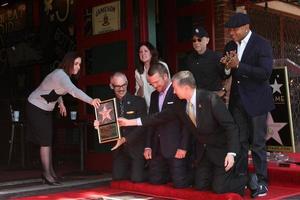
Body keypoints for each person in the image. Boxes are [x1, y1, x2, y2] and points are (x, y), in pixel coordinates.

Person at [118, 71, 248, 196]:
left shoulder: (210, 99)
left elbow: (231, 127)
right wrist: (130, 122)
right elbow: (158, 117)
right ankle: (218, 177)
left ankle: (247, 180)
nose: (173, 91)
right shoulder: (180, 104)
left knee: (219, 188)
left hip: (222, 150)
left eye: (175, 88)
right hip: (204, 152)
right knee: (200, 185)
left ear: (185, 88)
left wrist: (231, 153)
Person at [220, 13, 275, 198]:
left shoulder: (262, 44)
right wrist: (227, 67)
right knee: (240, 143)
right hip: (237, 102)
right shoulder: (229, 46)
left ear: (246, 27)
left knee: (258, 144)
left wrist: (239, 65)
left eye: (234, 29)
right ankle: (241, 179)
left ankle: (261, 182)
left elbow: (265, 73)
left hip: (257, 102)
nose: (231, 33)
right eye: (229, 30)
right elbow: (225, 73)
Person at [26, 52, 101, 185]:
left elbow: (55, 89)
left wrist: (61, 103)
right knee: (45, 142)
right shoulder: (61, 75)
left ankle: (50, 173)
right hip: (35, 106)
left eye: (79, 64)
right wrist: (91, 100)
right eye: (76, 64)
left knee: (48, 140)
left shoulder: (63, 76)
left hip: (45, 110)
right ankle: (47, 174)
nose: (78, 67)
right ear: (69, 63)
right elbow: (74, 91)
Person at [144, 63, 190, 188]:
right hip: (157, 147)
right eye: (151, 84)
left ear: (165, 76)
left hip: (176, 148)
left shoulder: (178, 92)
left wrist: (183, 147)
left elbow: (186, 123)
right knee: (154, 182)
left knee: (180, 184)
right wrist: (148, 146)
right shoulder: (154, 95)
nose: (154, 86)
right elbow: (151, 122)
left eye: (156, 82)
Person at [96, 72, 148, 182]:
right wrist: (100, 127)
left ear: (127, 83)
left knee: (137, 179)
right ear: (111, 86)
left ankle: (146, 168)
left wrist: (125, 139)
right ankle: (133, 169)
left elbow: (143, 127)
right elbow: (108, 130)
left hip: (136, 147)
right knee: (117, 177)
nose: (121, 89)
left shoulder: (139, 101)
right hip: (120, 151)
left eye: (124, 85)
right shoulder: (107, 105)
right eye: (117, 86)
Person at [184, 26, 226, 98]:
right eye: (194, 40)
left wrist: (223, 90)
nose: (196, 42)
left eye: (199, 39)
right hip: (196, 97)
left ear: (207, 40)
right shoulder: (190, 58)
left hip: (213, 98)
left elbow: (226, 76)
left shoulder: (216, 57)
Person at [135, 42, 170, 108]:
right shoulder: (138, 72)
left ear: (151, 52)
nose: (143, 54)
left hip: (163, 104)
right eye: (140, 52)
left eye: (145, 51)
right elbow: (139, 96)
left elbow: (168, 86)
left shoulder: (162, 65)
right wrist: (141, 87)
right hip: (148, 108)